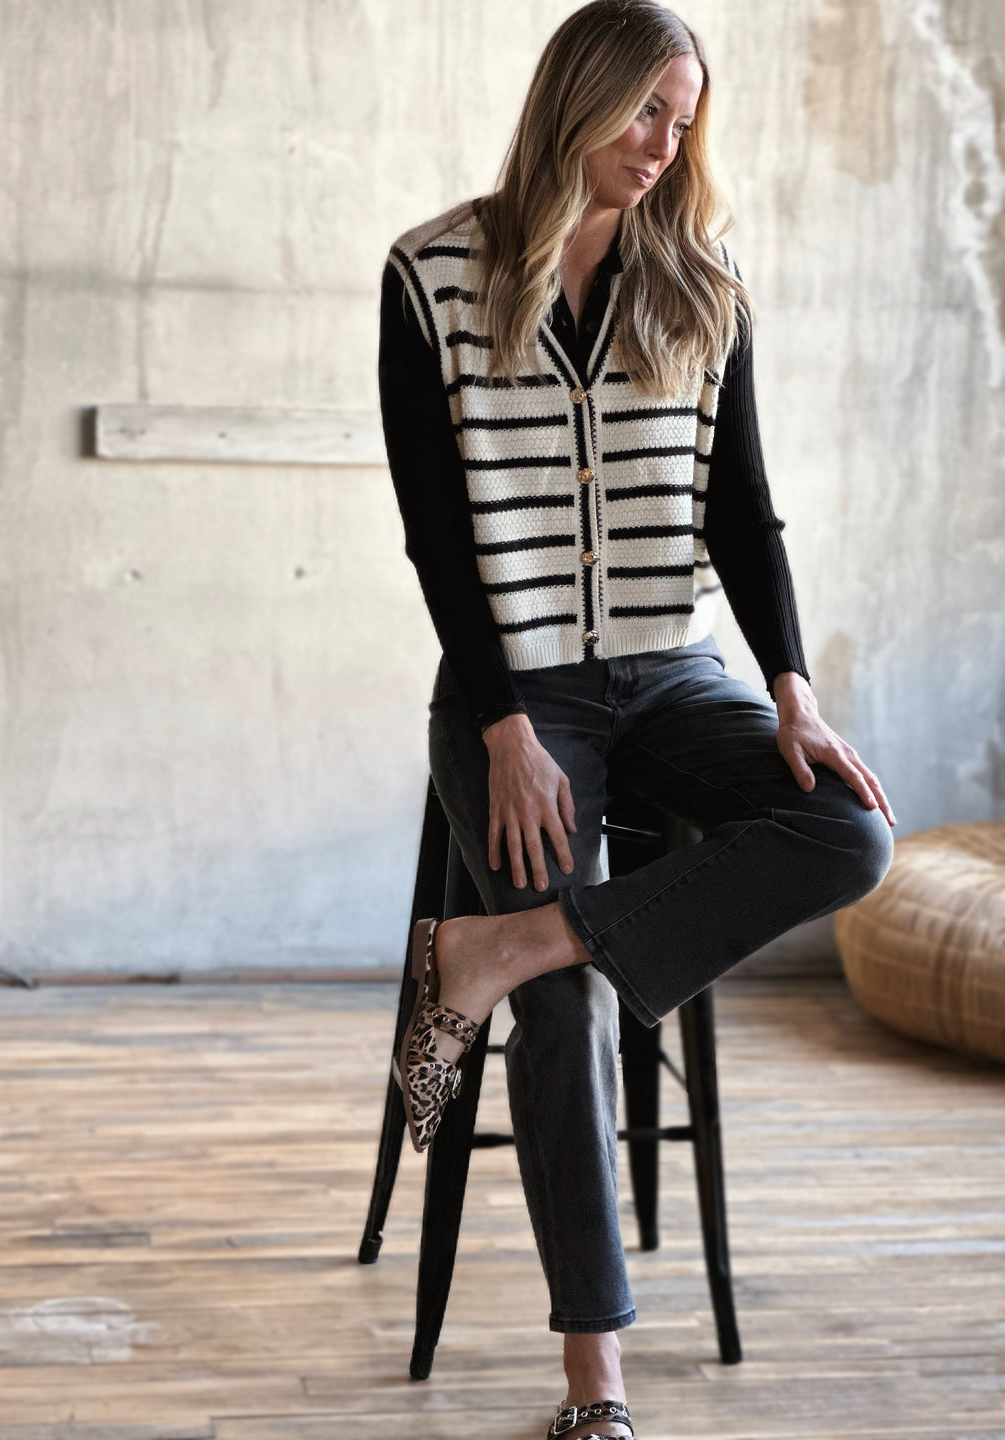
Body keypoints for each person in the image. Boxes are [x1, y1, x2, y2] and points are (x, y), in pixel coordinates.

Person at [377, 3, 895, 1436]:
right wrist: (500, 726)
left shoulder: (705, 282)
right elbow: (437, 535)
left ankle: (496, 945)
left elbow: (742, 505)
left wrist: (791, 688)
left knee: (851, 832)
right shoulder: (433, 273)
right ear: (577, 100)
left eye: (684, 120)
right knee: (566, 1018)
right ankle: (595, 1396)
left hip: (675, 675)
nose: (664, 148)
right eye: (643, 113)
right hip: (518, 698)